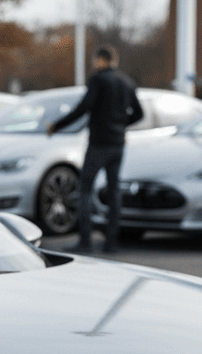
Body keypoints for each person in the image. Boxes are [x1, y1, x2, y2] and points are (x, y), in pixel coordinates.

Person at [46, 45, 143, 253]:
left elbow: (83, 107)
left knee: (84, 189)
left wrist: (56, 126)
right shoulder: (127, 81)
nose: (93, 64)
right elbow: (139, 113)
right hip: (118, 144)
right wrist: (120, 124)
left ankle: (85, 241)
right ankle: (111, 242)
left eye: (94, 60)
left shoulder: (98, 80)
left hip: (99, 143)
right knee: (114, 191)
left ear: (101, 60)